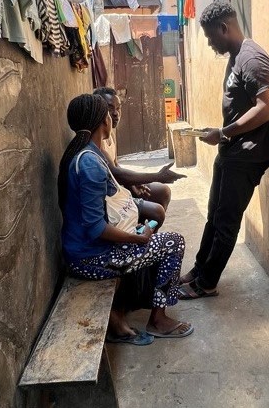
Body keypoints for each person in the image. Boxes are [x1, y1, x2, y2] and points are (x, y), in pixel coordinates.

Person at [58, 93, 194, 343]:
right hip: (90, 258)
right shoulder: (89, 164)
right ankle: (158, 320)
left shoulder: (91, 153)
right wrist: (136, 238)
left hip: (89, 251)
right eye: (110, 113)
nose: (113, 117)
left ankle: (137, 308)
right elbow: (95, 228)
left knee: (156, 233)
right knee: (174, 243)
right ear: (103, 121)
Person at [177, 0, 269, 300]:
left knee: (226, 222)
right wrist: (222, 135)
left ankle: (206, 283)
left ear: (224, 27)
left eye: (210, 37)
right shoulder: (235, 57)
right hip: (231, 151)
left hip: (247, 155)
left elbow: (267, 108)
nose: (209, 43)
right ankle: (199, 269)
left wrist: (224, 132)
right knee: (214, 215)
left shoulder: (253, 58)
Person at [93, 86, 185, 228]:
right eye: (110, 108)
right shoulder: (97, 141)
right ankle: (139, 239)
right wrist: (156, 176)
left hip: (119, 187)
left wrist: (135, 184)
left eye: (118, 108)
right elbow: (115, 174)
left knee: (163, 191)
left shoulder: (109, 134)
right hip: (111, 195)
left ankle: (141, 233)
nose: (116, 113)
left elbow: (116, 165)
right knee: (156, 212)